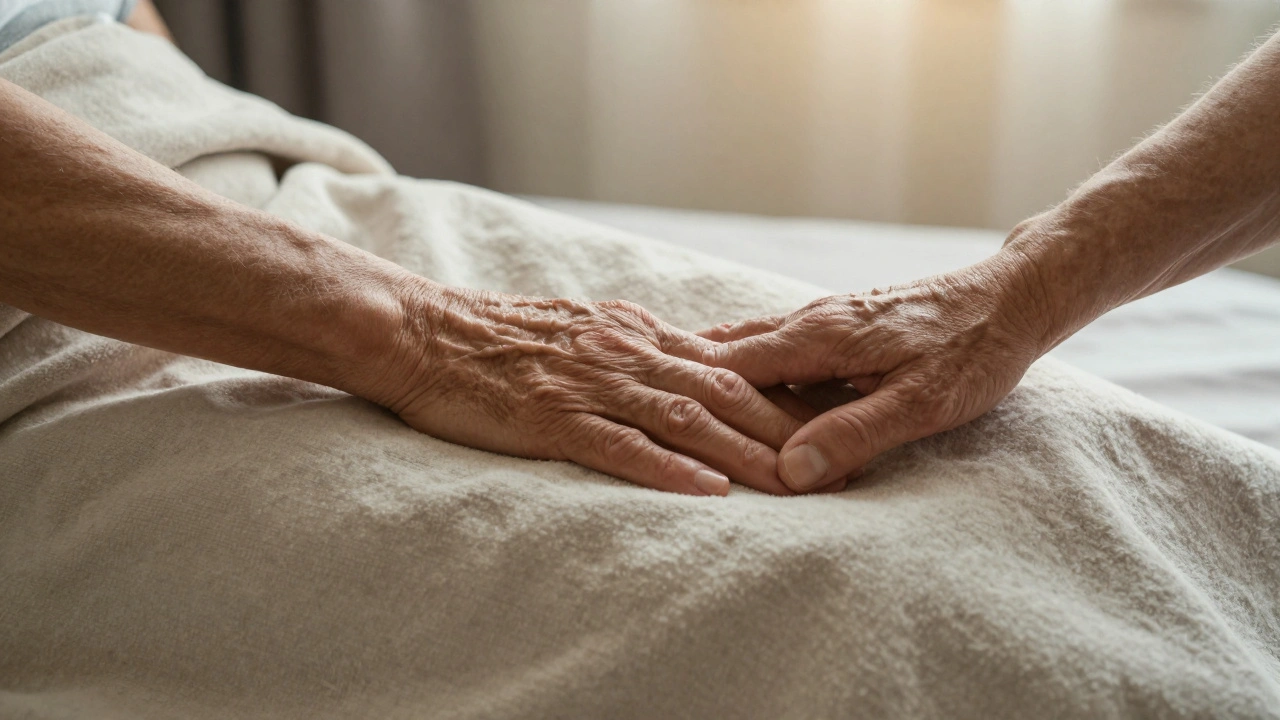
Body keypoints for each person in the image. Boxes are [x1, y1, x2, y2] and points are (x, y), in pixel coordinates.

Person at [2, 4, 1278, 498]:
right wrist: (413, 331)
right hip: (56, 301)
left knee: (1089, 474)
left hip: (214, 168)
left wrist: (1023, 291)